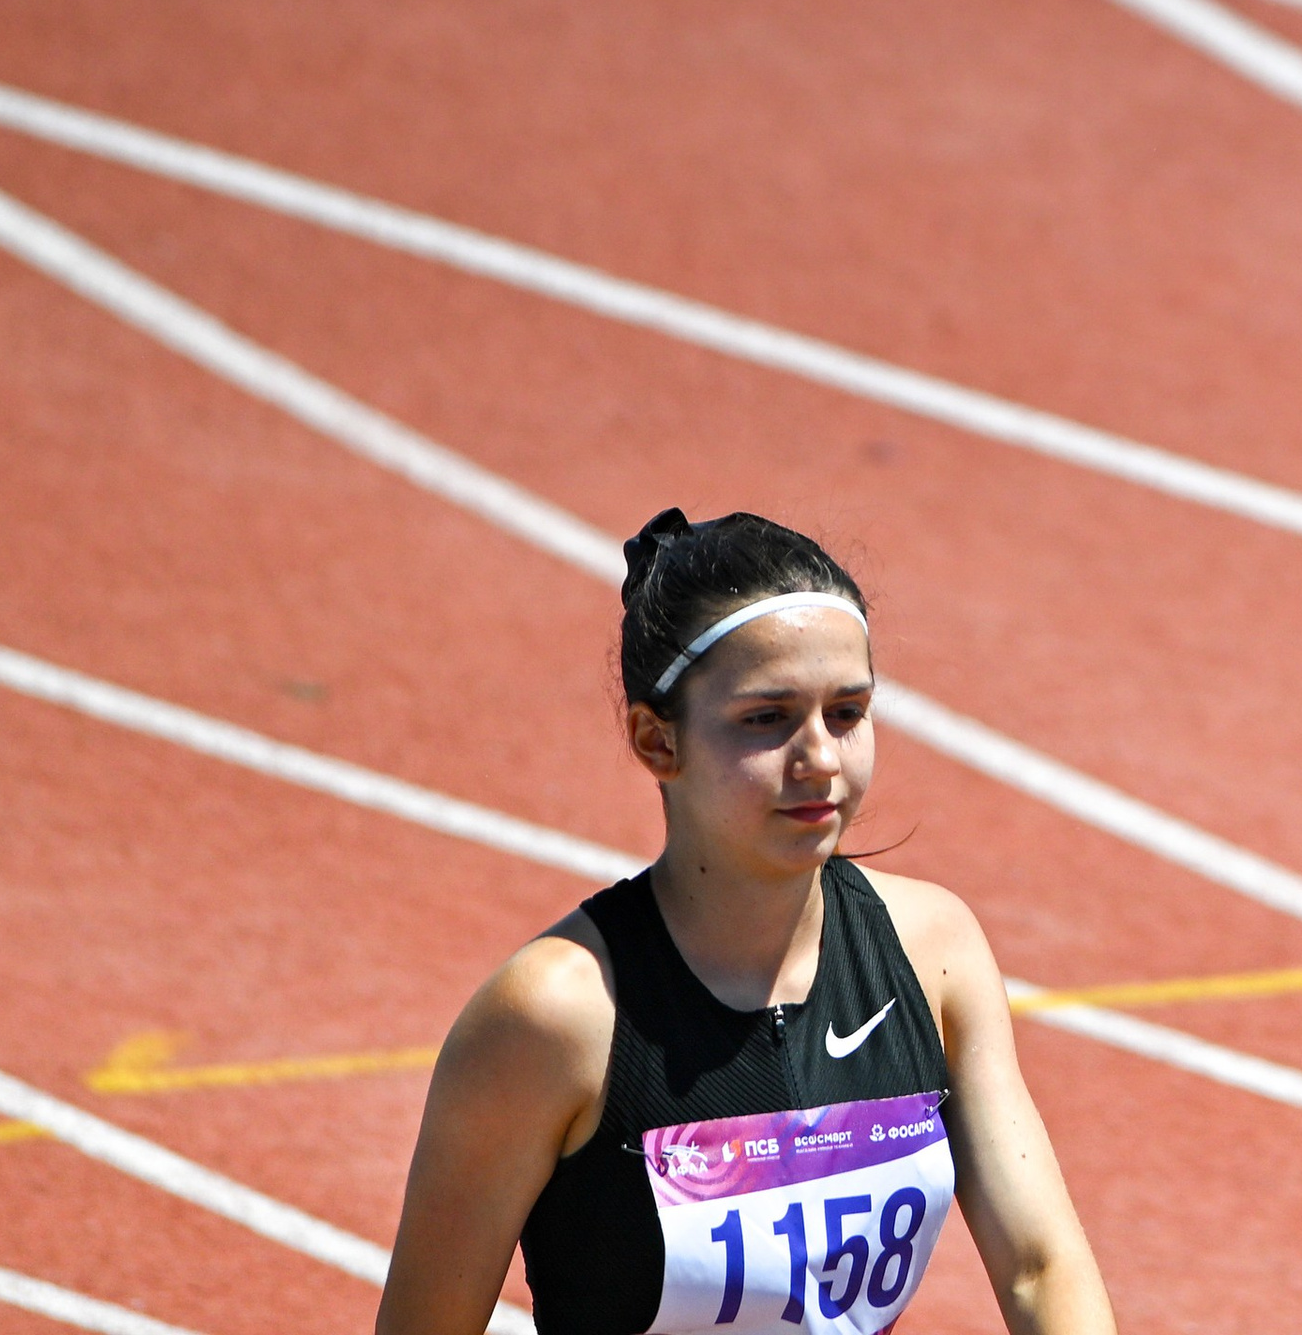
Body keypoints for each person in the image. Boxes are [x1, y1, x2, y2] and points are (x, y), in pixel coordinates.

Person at [376, 507, 1118, 1335]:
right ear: (658, 744)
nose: (822, 759)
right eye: (766, 718)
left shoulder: (932, 952)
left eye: (847, 711)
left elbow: (1041, 1267)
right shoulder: (556, 1015)